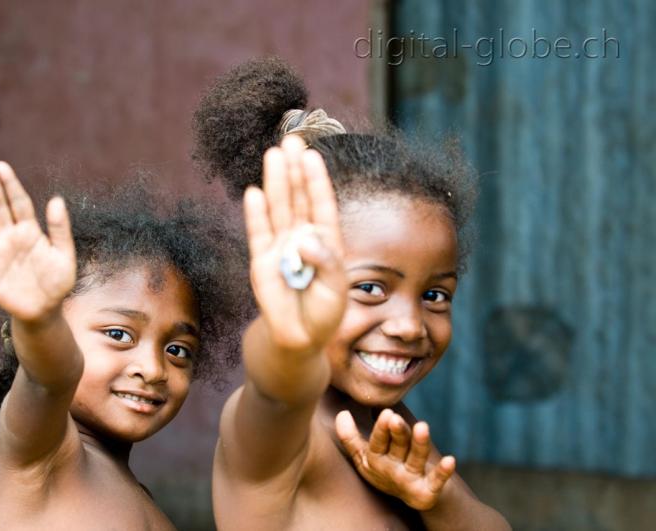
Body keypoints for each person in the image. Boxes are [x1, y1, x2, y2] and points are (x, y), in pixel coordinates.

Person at [193, 58, 511, 530]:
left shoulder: (389, 422)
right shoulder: (283, 432)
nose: (409, 325)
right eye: (369, 287)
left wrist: (435, 499)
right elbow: (277, 389)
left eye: (435, 295)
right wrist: (289, 340)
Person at [0, 162, 247, 529]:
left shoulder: (133, 492)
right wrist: (39, 321)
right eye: (118, 334)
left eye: (177, 350)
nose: (154, 369)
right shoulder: (43, 455)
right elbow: (49, 378)